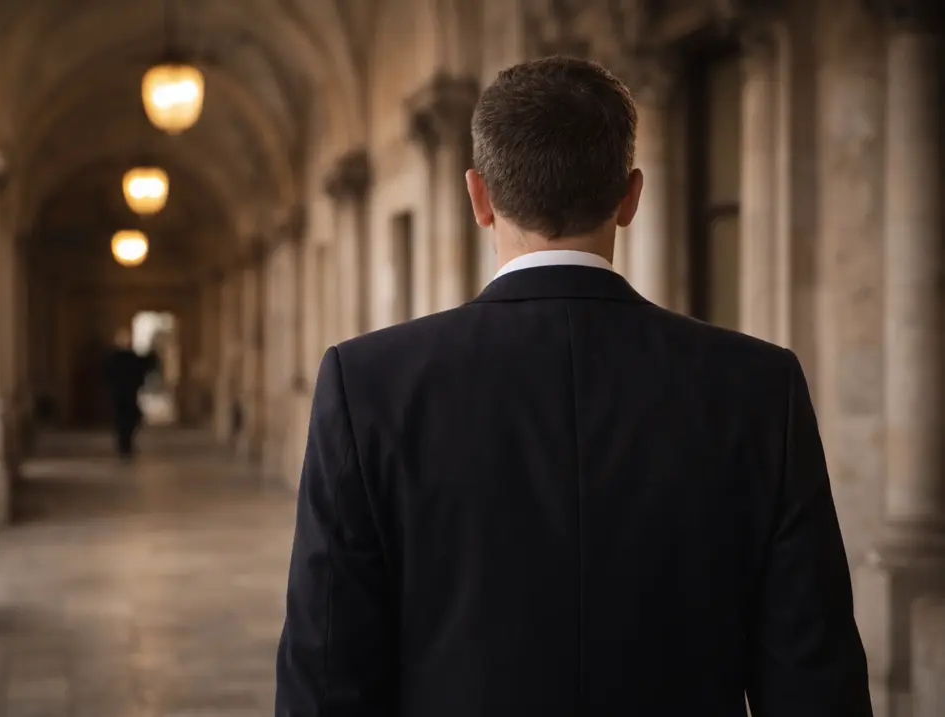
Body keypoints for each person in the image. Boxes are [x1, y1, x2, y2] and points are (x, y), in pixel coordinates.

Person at [275, 57, 871, 717]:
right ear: (630, 196)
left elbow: (327, 677)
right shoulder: (759, 387)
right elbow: (814, 680)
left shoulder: (366, 385)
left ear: (478, 196)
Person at [104, 328, 157, 460]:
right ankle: (125, 446)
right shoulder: (126, 357)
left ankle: (124, 447)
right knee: (128, 421)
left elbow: (106, 375)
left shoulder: (114, 358)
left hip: (120, 394)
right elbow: (147, 364)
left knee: (123, 421)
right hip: (127, 394)